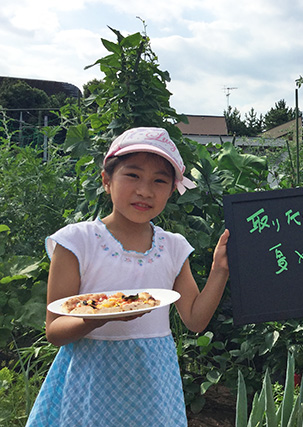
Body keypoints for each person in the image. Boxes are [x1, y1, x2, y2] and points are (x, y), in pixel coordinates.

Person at [26, 127, 230, 426]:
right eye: (132, 175)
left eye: (159, 181)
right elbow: (55, 330)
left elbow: (195, 320)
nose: (145, 190)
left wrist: (219, 270)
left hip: (153, 382)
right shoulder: (76, 242)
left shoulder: (173, 246)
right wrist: (102, 315)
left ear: (172, 190)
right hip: (92, 381)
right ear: (107, 180)